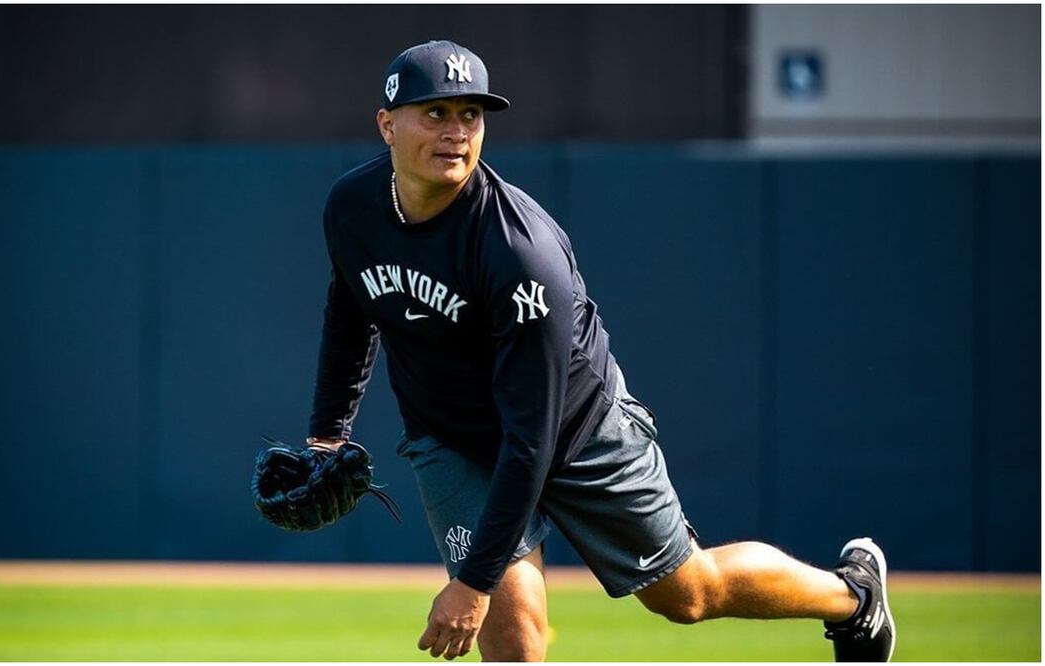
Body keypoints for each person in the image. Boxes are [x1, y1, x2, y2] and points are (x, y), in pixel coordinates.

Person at [306, 39, 895, 662]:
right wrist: (326, 433)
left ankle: (854, 599)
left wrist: (472, 583)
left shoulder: (519, 253)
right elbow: (351, 310)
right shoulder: (353, 206)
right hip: (453, 439)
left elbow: (530, 438)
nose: (457, 132)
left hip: (574, 431)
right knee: (514, 641)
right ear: (387, 124)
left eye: (470, 115)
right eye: (436, 113)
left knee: (688, 593)